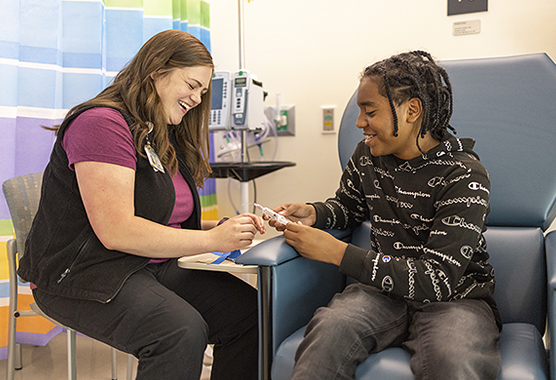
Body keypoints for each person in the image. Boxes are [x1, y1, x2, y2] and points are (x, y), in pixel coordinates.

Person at [18, 29, 265, 380]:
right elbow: (118, 230)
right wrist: (212, 241)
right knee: (179, 331)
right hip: (84, 272)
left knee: (250, 315)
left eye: (203, 92)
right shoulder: (101, 124)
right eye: (192, 85)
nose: (197, 98)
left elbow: (159, 218)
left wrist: (223, 230)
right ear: (157, 71)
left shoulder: (154, 131)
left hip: (142, 265)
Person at [268, 51, 501, 380]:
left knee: (453, 361)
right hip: (382, 294)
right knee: (327, 333)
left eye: (370, 111)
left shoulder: (464, 174)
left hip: (454, 300)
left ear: (411, 110)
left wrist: (337, 253)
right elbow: (348, 207)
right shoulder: (368, 156)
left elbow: (437, 279)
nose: (360, 123)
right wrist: (314, 213)